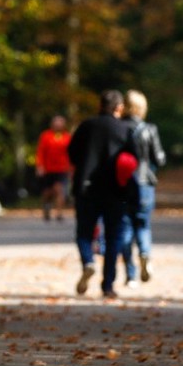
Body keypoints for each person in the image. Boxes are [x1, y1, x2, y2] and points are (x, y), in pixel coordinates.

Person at [66, 90, 132, 299]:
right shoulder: (125, 129)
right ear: (119, 108)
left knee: (84, 233)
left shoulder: (86, 126)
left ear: (100, 105)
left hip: (87, 188)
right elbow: (132, 159)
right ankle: (108, 285)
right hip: (116, 190)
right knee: (114, 237)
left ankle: (88, 261)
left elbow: (72, 153)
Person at [121, 90, 166, 288]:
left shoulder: (119, 128)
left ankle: (130, 275)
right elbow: (159, 158)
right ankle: (145, 253)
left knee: (124, 227)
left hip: (122, 184)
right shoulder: (149, 129)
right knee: (143, 224)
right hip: (145, 183)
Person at [35, 115, 73, 221]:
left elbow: (71, 154)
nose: (58, 125)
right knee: (47, 192)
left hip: (62, 169)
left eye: (60, 122)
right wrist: (39, 166)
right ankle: (46, 208)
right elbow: (40, 152)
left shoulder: (67, 137)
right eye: (56, 122)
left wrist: (72, 169)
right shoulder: (46, 136)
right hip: (48, 169)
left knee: (59, 190)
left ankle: (59, 213)